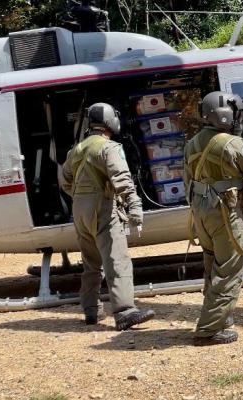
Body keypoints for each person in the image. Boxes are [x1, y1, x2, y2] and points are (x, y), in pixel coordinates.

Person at [60, 102, 155, 331]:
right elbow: (122, 179)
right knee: (116, 260)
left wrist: (82, 197)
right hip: (102, 207)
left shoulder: (77, 149)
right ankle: (125, 312)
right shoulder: (109, 147)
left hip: (80, 210)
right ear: (109, 121)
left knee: (91, 263)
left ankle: (91, 311)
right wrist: (134, 207)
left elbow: (65, 181)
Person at [183, 91, 243, 346]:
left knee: (213, 266)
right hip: (225, 213)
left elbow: (188, 182)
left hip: (202, 214)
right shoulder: (232, 144)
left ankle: (222, 318)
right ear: (224, 115)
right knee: (229, 270)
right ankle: (208, 330)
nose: (238, 118)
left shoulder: (192, 144)